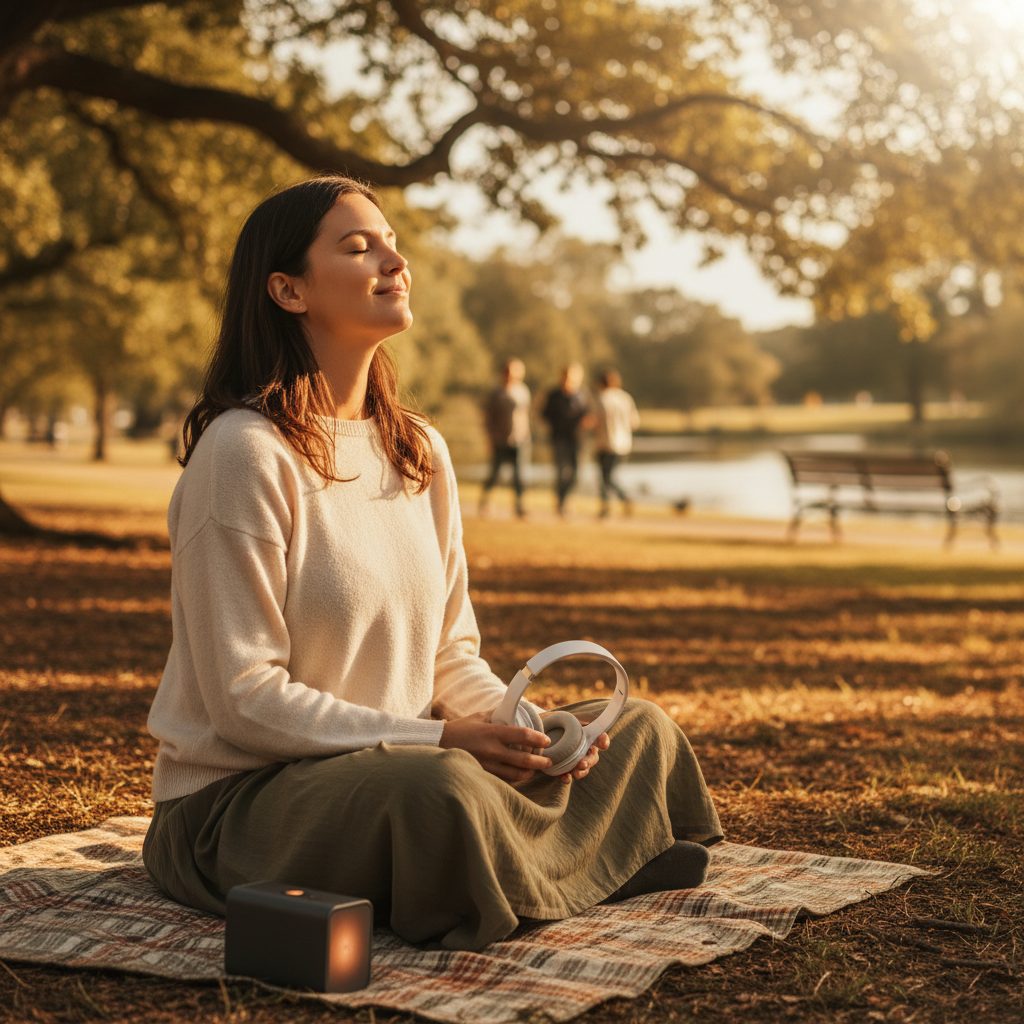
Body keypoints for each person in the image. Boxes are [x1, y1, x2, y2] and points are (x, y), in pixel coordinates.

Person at [140, 175, 722, 954]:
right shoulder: (243, 454)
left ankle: (548, 866)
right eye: (358, 246)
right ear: (288, 290)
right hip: (239, 805)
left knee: (638, 727)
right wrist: (440, 742)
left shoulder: (418, 447)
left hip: (393, 767)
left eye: (390, 240)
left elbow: (452, 654)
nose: (395, 258)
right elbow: (245, 701)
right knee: (438, 792)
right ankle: (588, 865)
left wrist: (522, 729)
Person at [478, 358, 531, 519]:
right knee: (495, 474)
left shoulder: (523, 391)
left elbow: (525, 414)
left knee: (520, 476)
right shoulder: (496, 393)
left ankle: (519, 505)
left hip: (520, 440)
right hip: (500, 440)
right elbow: (488, 418)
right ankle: (485, 502)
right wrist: (490, 438)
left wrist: (527, 434)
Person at [540, 362, 589, 517]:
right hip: (559, 438)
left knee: (575, 474)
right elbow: (544, 414)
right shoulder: (554, 395)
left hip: (577, 439)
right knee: (561, 472)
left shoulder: (582, 395)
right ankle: (561, 503)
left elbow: (588, 414)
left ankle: (564, 498)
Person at [592, 368, 641, 518]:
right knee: (611, 476)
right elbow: (635, 422)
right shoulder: (625, 398)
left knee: (606, 478)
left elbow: (595, 421)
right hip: (624, 444)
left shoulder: (602, 398)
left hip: (606, 443)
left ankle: (621, 499)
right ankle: (609, 506)